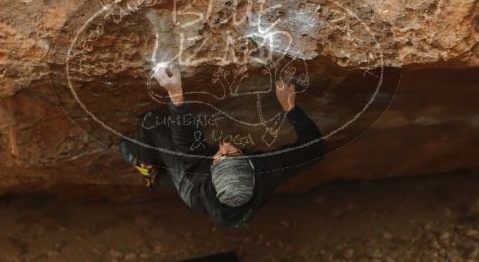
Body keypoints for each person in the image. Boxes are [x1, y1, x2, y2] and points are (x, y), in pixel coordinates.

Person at [120, 64, 327, 228]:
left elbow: (187, 142)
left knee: (152, 123)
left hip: (195, 197)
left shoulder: (200, 179)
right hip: (231, 205)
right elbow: (315, 149)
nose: (225, 145)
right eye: (234, 153)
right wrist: (291, 108)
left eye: (219, 156)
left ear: (211, 169)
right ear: (249, 163)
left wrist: (176, 95)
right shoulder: (269, 171)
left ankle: (148, 169)